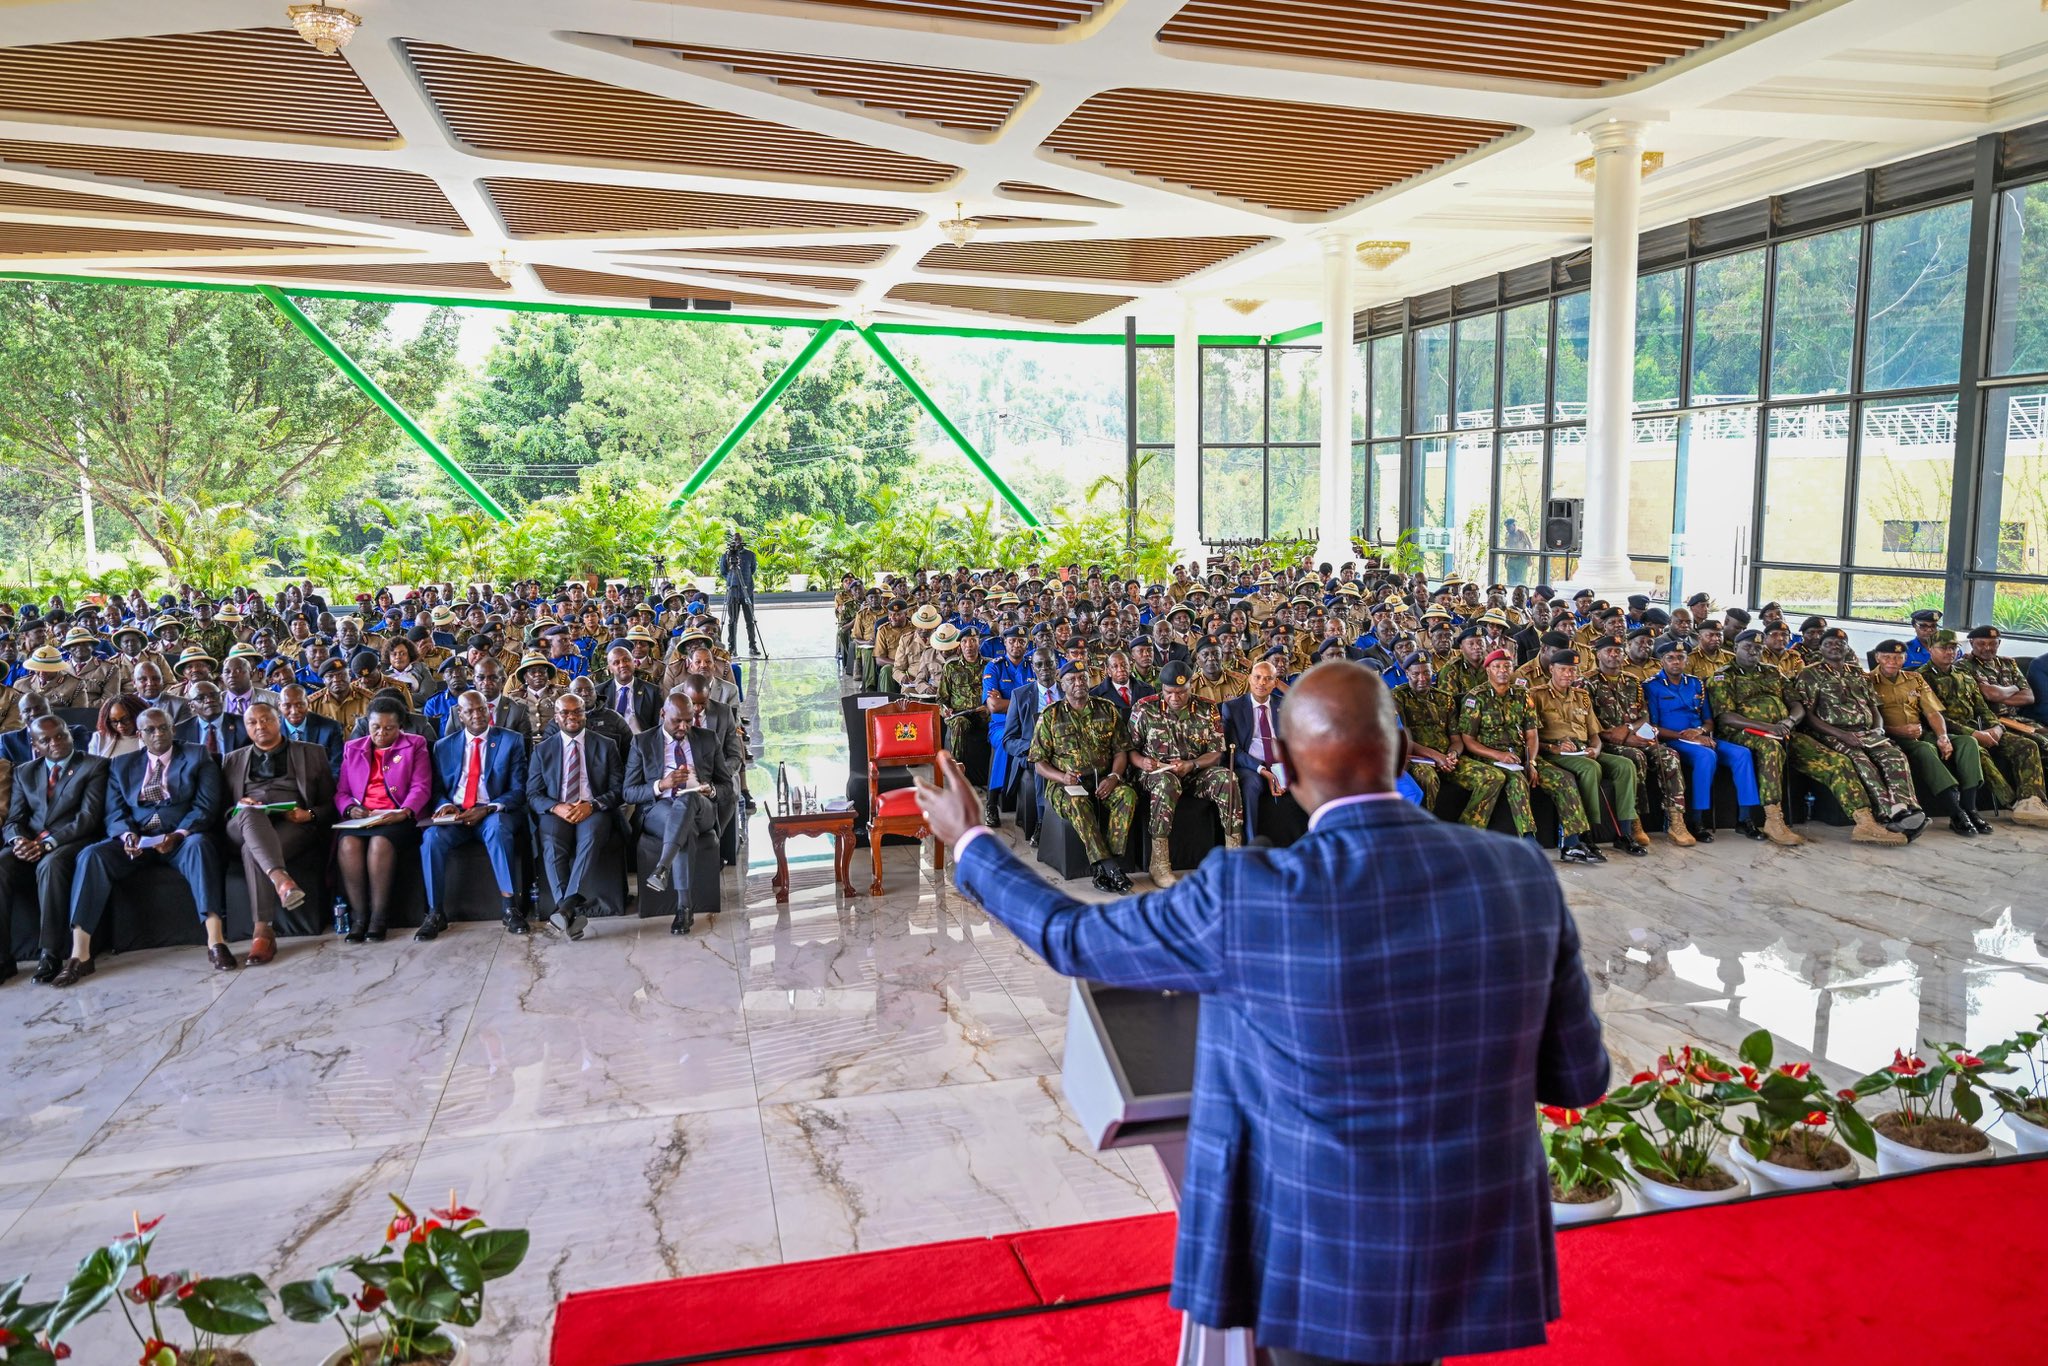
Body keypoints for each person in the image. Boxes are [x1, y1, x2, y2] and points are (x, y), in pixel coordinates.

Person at [913, 661, 1608, 1366]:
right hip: (1465, 1244)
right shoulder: (1519, 876)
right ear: (1399, 753)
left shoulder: (1250, 893)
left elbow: (1073, 937)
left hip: (1311, 1253)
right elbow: (1578, 1078)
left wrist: (973, 842)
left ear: (1292, 773)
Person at [67, 707, 228, 979]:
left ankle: (216, 941)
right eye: (150, 730)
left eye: (163, 727)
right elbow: (115, 812)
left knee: (200, 846)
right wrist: (127, 836)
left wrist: (178, 835)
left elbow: (205, 807)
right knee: (91, 855)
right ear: (139, 734)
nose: (158, 734)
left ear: (173, 729)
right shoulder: (121, 765)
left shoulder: (197, 755)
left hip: (180, 836)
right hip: (137, 839)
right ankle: (79, 953)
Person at [1708, 631, 1900, 845]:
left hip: (1785, 731)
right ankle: (1773, 820)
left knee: (1837, 761)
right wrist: (1768, 727)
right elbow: (1726, 716)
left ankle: (1864, 822)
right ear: (1735, 649)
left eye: (1759, 648)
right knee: (1771, 748)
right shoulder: (1723, 675)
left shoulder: (1773, 672)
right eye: (1748, 647)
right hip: (1745, 734)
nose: (1754, 651)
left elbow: (1797, 704)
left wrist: (1789, 721)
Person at [1457, 650, 1598, 862]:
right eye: (1497, 667)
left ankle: (1572, 842)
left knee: (1564, 779)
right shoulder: (1476, 698)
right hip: (1490, 756)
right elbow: (1468, 740)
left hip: (1521, 755)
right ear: (1488, 670)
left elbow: (1532, 735)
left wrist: (1531, 761)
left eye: (1507, 666)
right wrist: (1498, 754)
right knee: (1517, 780)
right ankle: (1528, 838)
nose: (1503, 671)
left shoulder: (1522, 695)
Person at [0, 716, 109, 984]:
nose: (55, 743)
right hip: (32, 843)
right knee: (1, 863)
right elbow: (15, 819)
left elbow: (87, 818)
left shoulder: (94, 765)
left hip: (72, 841)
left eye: (60, 735)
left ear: (70, 735)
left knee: (51, 864)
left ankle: (50, 953)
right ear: (34, 744)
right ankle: (3, 959)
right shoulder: (24, 771)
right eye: (46, 740)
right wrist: (18, 841)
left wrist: (46, 844)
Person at [221, 700, 333, 958]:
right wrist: (238, 805)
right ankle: (280, 880)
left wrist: (310, 814)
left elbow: (330, 802)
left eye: (266, 720)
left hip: (292, 823)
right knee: (250, 813)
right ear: (246, 728)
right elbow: (221, 809)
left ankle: (262, 932)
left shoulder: (311, 752)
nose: (259, 726)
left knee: (253, 850)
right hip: (243, 823)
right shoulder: (233, 760)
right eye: (252, 722)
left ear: (278, 720)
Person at [1791, 630, 1929, 837]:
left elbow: (1874, 707)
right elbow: (1809, 716)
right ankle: (1888, 813)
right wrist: (1841, 734)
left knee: (1895, 756)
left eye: (1840, 643)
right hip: (1832, 733)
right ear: (1820, 648)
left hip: (1867, 731)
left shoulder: (1857, 673)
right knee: (1861, 761)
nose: (1835, 647)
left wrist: (1878, 728)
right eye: (1829, 643)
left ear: (1848, 647)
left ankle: (1906, 809)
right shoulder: (1810, 674)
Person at [420, 689, 529, 940]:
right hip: (457, 814)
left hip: (492, 811)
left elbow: (519, 790)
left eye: (482, 709)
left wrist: (489, 808)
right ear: (460, 714)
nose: (478, 715)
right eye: (470, 711)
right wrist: (444, 806)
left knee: (498, 831)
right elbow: (436, 790)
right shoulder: (443, 746)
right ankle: (435, 912)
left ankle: (510, 908)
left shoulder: (510, 741)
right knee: (431, 840)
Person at [1129, 661, 1245, 886]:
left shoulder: (1207, 708)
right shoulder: (1144, 708)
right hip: (1155, 775)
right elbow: (1129, 749)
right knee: (1167, 783)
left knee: (1227, 779)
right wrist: (1142, 762)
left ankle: (1234, 856)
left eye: (1181, 692)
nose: (1175, 698)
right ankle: (1159, 863)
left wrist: (1191, 765)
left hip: (1194, 772)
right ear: (1161, 688)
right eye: (1169, 692)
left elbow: (1216, 753)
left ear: (1191, 686)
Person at [624, 694, 731, 933]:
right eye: (677, 721)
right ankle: (684, 908)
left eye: (688, 721)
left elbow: (727, 786)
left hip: (700, 806)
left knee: (689, 798)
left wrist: (710, 790)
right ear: (663, 715)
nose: (683, 727)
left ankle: (662, 867)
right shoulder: (642, 742)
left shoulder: (707, 739)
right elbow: (629, 792)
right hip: (658, 810)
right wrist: (661, 785)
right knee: (681, 823)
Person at [1921, 629, 2048, 828]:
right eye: (1943, 648)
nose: (1949, 652)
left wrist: (1996, 727)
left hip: (1985, 727)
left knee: (2026, 745)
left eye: (1953, 647)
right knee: (1979, 752)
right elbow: (1934, 717)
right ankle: (2013, 803)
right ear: (1930, 649)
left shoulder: (1964, 676)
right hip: (1956, 733)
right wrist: (1973, 733)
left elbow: (1982, 707)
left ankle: (2031, 802)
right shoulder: (1921, 677)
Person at [1028, 662, 1137, 893]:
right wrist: (1062, 777)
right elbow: (1039, 764)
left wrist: (1115, 777)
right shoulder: (1051, 715)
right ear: (1062, 684)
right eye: (1072, 680)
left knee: (1127, 795)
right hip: (1066, 785)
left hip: (1103, 780)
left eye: (1082, 678)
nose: (1078, 684)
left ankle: (1106, 864)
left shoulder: (1107, 709)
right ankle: (1110, 867)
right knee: (1078, 802)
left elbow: (1121, 751)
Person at [333, 696, 432, 942]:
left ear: (400, 727)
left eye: (389, 728)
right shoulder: (353, 748)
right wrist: (349, 809)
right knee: (347, 845)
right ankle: (359, 917)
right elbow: (342, 792)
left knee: (379, 843)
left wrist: (405, 811)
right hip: (363, 817)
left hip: (398, 817)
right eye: (376, 727)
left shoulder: (415, 744)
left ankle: (379, 917)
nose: (381, 733)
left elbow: (421, 786)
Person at [1642, 640, 1761, 843]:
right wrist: (1685, 736)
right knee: (1706, 757)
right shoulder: (1651, 686)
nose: (1676, 662)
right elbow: (1652, 727)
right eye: (1670, 658)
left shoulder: (1695, 683)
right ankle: (1696, 821)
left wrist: (1699, 731)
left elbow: (1708, 721)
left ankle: (1745, 818)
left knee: (1742, 754)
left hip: (1699, 736)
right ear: (1661, 661)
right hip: (1672, 739)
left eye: (1681, 657)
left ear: (1687, 659)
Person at [1527, 651, 1643, 857]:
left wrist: (1595, 750)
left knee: (1625, 766)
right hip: (1554, 752)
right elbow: (1531, 736)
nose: (1567, 674)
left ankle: (1624, 833)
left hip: (1583, 750)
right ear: (1551, 669)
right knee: (1591, 769)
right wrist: (1554, 748)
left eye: (1572, 670)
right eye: (1563, 669)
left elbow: (1594, 735)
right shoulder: (1537, 695)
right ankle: (1587, 833)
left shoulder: (1582, 696)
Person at [528, 692, 623, 940]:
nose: (572, 717)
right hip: (557, 810)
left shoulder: (606, 744)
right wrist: (555, 807)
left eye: (577, 711)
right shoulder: (543, 750)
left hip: (594, 810)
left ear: (585, 714)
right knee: (550, 841)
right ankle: (568, 912)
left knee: (591, 836)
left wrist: (592, 805)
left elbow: (618, 791)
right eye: (565, 713)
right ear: (556, 718)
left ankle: (565, 907)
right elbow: (533, 794)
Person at [1869, 639, 1987, 837]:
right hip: (1893, 737)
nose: (1893, 661)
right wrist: (1898, 731)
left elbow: (1932, 712)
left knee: (1968, 742)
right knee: (1925, 749)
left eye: (1898, 657)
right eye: (1887, 657)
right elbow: (1870, 719)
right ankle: (1955, 812)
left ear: (1905, 658)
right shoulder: (1867, 681)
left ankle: (1970, 808)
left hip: (1922, 733)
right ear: (1877, 658)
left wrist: (1943, 737)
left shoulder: (1914, 678)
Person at [1223, 660, 1295, 841]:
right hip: (1251, 766)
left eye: (1268, 679)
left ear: (1275, 682)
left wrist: (1284, 768)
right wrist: (1263, 771)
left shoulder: (1284, 705)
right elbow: (1235, 751)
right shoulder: (1233, 708)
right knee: (1249, 786)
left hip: (1281, 763)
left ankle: (1303, 843)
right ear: (1249, 679)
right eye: (1257, 677)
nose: (1262, 683)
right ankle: (1250, 841)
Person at [718, 530, 764, 657]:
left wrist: (743, 580)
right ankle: (732, 648)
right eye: (734, 540)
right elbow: (723, 572)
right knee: (732, 621)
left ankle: (753, 646)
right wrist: (732, 578)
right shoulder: (726, 555)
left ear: (742, 541)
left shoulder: (750, 555)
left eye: (738, 539)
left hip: (747, 590)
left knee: (750, 620)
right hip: (732, 592)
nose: (736, 542)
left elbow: (752, 569)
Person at [88, 693, 145, 759]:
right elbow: (92, 767)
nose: (120, 725)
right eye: (114, 721)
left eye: (125, 719)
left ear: (138, 715)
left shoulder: (151, 737)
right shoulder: (99, 738)